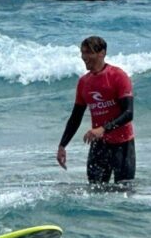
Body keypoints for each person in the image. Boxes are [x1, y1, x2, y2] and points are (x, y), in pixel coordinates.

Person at [56, 35, 135, 184]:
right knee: (95, 192)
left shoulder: (118, 76)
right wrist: (62, 145)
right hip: (99, 145)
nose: (84, 57)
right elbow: (75, 117)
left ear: (102, 53)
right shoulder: (84, 82)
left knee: (125, 192)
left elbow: (128, 113)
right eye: (82, 52)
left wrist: (103, 129)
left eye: (88, 52)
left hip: (123, 144)